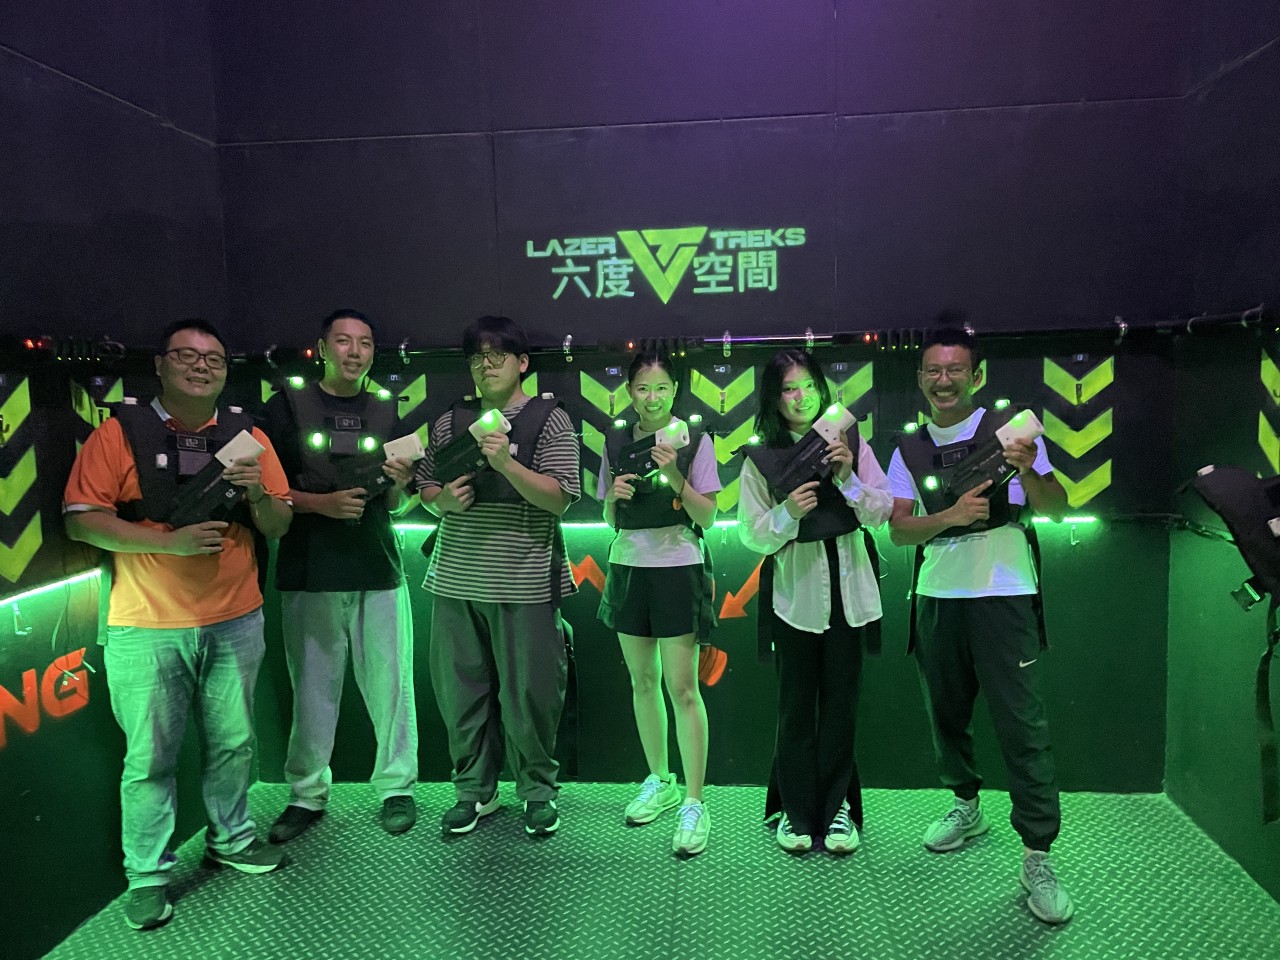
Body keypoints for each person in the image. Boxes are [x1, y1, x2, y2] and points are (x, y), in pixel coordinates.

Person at [64, 319, 291, 931]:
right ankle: (148, 875)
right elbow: (81, 519)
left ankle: (232, 839)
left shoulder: (250, 438)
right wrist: (169, 544)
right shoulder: (118, 434)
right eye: (186, 355)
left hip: (236, 618)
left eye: (213, 358)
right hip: (145, 625)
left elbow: (278, 524)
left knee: (234, 743)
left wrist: (257, 495)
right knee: (149, 760)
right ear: (160, 365)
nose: (201, 366)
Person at [887, 324, 1073, 925]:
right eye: (933, 371)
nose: (944, 380)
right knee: (946, 715)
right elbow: (898, 530)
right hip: (937, 595)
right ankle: (967, 805)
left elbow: (1056, 508)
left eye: (955, 370)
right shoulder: (907, 447)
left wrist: (1030, 471)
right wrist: (949, 516)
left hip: (1006, 593)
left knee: (1023, 726)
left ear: (976, 375)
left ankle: (1038, 855)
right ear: (920, 378)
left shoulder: (1012, 433)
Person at [414, 316, 580, 837]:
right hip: (454, 581)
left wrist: (507, 465)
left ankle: (537, 791)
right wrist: (442, 502)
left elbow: (561, 499)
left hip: (525, 582)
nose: (486, 365)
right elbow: (426, 487)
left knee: (532, 696)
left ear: (522, 362)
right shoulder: (450, 420)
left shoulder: (551, 419)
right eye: (477, 357)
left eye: (497, 355)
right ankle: (473, 792)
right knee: (461, 695)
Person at [259, 309, 419, 844]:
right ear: (322, 348)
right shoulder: (285, 406)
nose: (355, 352)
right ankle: (306, 794)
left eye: (365, 343)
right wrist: (320, 504)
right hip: (309, 568)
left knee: (392, 686)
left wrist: (400, 484)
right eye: (344, 341)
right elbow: (263, 488)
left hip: (378, 567)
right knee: (312, 690)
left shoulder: (387, 408)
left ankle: (397, 788)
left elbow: (397, 504)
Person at [737, 349, 893, 854]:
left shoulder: (850, 441)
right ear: (774, 398)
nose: (800, 397)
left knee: (842, 707)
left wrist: (848, 480)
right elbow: (751, 534)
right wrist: (787, 512)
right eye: (788, 388)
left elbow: (882, 510)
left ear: (822, 389)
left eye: (807, 386)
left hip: (851, 595)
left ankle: (838, 808)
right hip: (795, 598)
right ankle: (797, 810)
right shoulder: (762, 457)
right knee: (796, 709)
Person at [598, 349, 720, 857]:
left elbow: (708, 517)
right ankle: (659, 779)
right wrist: (613, 497)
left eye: (662, 388)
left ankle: (694, 800)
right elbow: (609, 519)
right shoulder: (615, 441)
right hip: (628, 565)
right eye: (643, 388)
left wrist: (674, 477)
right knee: (642, 682)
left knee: (683, 688)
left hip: (677, 567)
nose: (652, 397)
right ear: (630, 392)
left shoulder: (696, 440)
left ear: (675, 392)